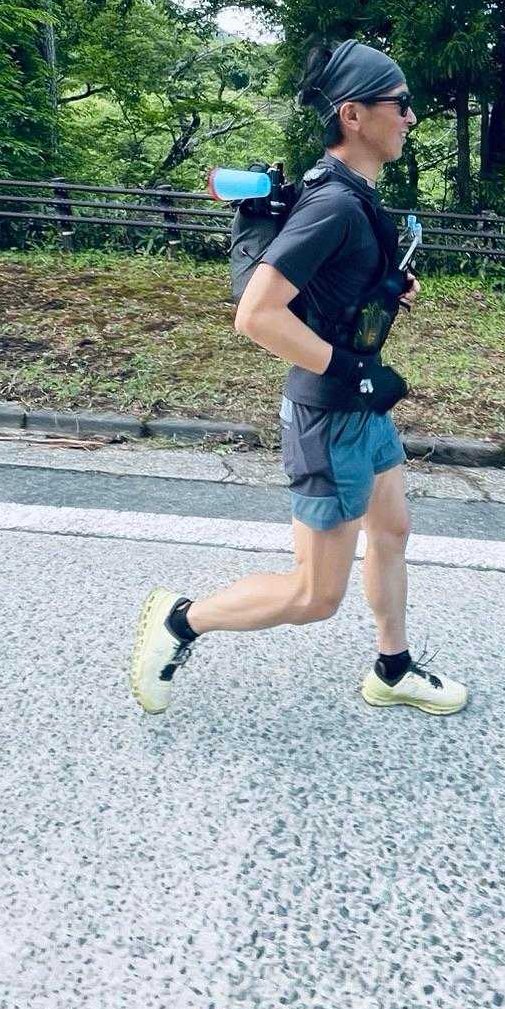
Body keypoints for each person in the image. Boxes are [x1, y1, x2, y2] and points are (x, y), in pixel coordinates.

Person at [129, 37, 469, 719]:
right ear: (354, 115)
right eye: (399, 104)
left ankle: (392, 668)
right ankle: (180, 621)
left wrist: (385, 289)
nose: (410, 117)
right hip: (331, 415)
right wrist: (352, 370)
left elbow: (330, 287)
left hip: (362, 406)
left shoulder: (353, 194)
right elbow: (257, 315)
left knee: (392, 529)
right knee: (315, 594)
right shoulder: (332, 204)